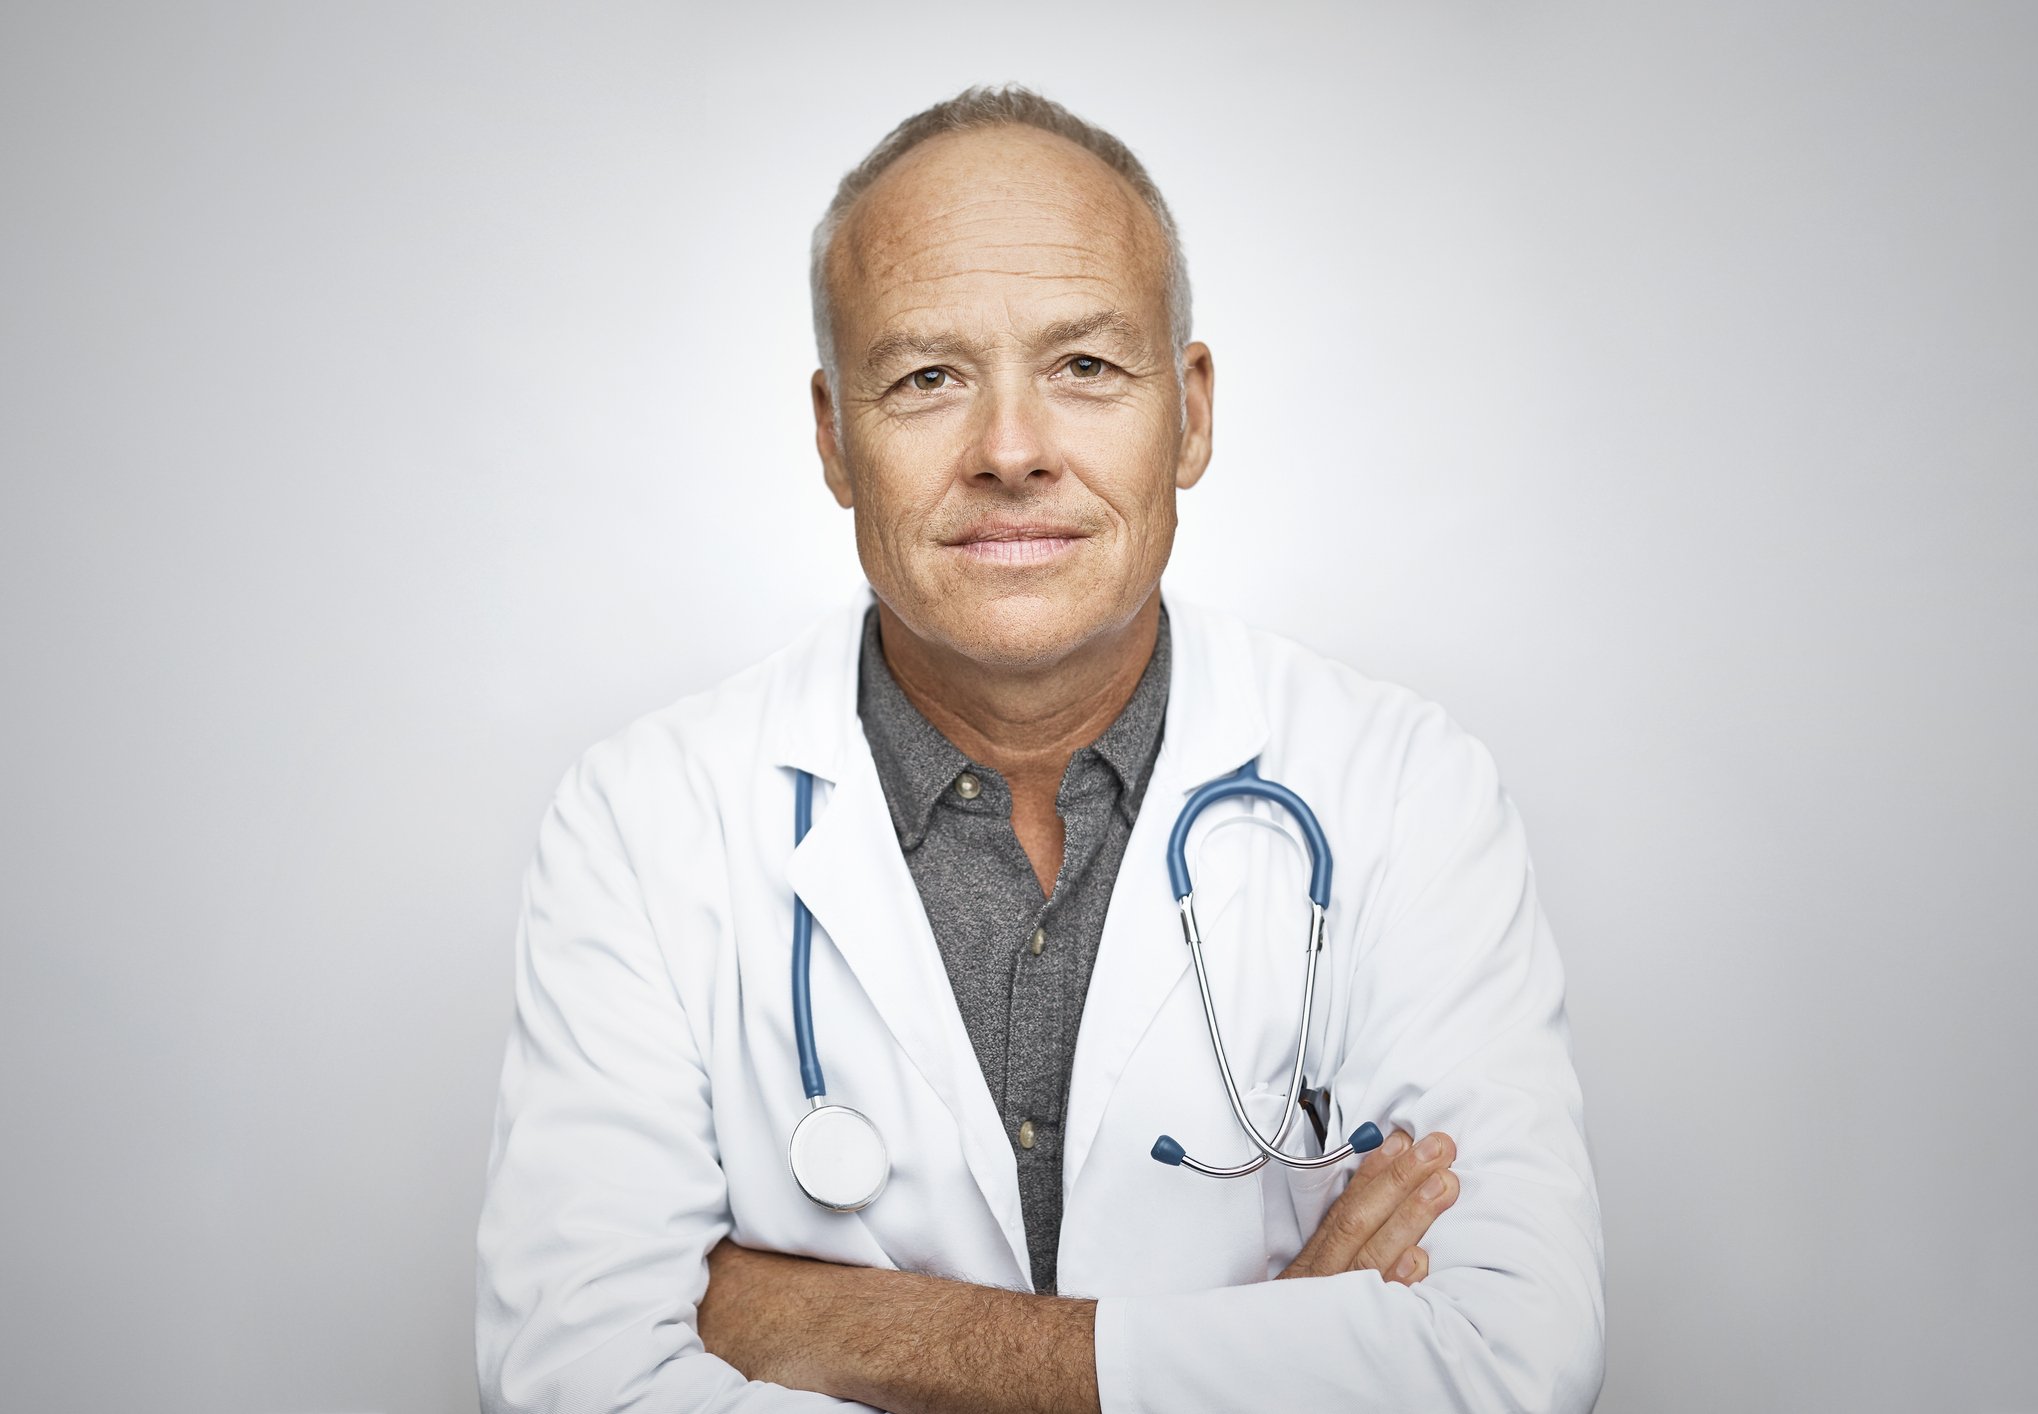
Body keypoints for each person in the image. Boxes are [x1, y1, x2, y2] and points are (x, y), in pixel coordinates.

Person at [475, 85, 1605, 1413]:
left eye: (1083, 366)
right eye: (926, 377)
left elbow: (1506, 1368)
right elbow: (575, 1383)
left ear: (1187, 412)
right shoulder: (642, 820)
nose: (1010, 451)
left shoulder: (1406, 789)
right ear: (834, 435)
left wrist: (849, 1326)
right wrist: (1263, 1357)